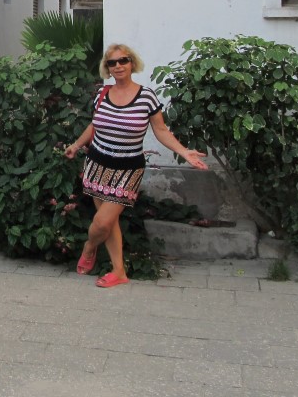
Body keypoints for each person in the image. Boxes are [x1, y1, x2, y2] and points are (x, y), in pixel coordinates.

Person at [64, 44, 208, 288]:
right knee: (109, 222)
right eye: (112, 62)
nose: (118, 66)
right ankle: (119, 271)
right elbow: (95, 124)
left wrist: (184, 151)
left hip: (127, 170)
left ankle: (89, 247)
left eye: (123, 60)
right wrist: (77, 145)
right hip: (97, 164)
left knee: (102, 223)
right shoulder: (102, 94)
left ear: (132, 63)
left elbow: (161, 130)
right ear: (107, 68)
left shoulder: (146, 97)